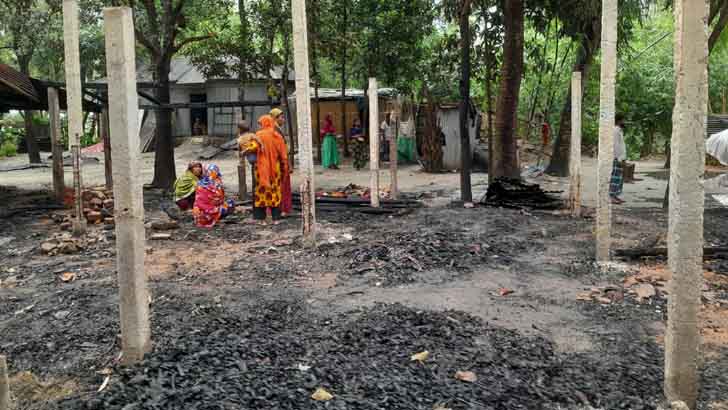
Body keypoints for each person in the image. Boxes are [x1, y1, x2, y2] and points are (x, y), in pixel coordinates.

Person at [253, 115, 289, 222]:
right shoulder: (276, 135)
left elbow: (251, 149)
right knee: (275, 191)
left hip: (260, 169)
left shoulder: (258, 135)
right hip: (275, 169)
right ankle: (276, 219)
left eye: (260, 124)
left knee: (261, 192)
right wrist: (285, 166)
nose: (260, 126)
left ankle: (262, 220)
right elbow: (283, 154)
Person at [192, 164, 235, 228]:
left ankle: (205, 218)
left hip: (198, 216)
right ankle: (214, 218)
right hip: (210, 214)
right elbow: (220, 200)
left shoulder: (200, 183)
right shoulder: (217, 183)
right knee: (230, 203)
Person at [270, 108, 293, 216]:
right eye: (281, 117)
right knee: (281, 185)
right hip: (279, 163)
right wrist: (287, 163)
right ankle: (281, 208)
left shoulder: (277, 129)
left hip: (278, 162)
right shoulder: (275, 131)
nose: (283, 120)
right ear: (275, 118)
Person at [610, 115, 627, 205]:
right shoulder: (615, 131)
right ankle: (611, 196)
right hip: (617, 158)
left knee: (619, 178)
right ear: (619, 121)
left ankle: (615, 195)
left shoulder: (619, 131)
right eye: (623, 120)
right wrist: (619, 158)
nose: (624, 122)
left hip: (620, 158)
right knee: (615, 178)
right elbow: (616, 146)